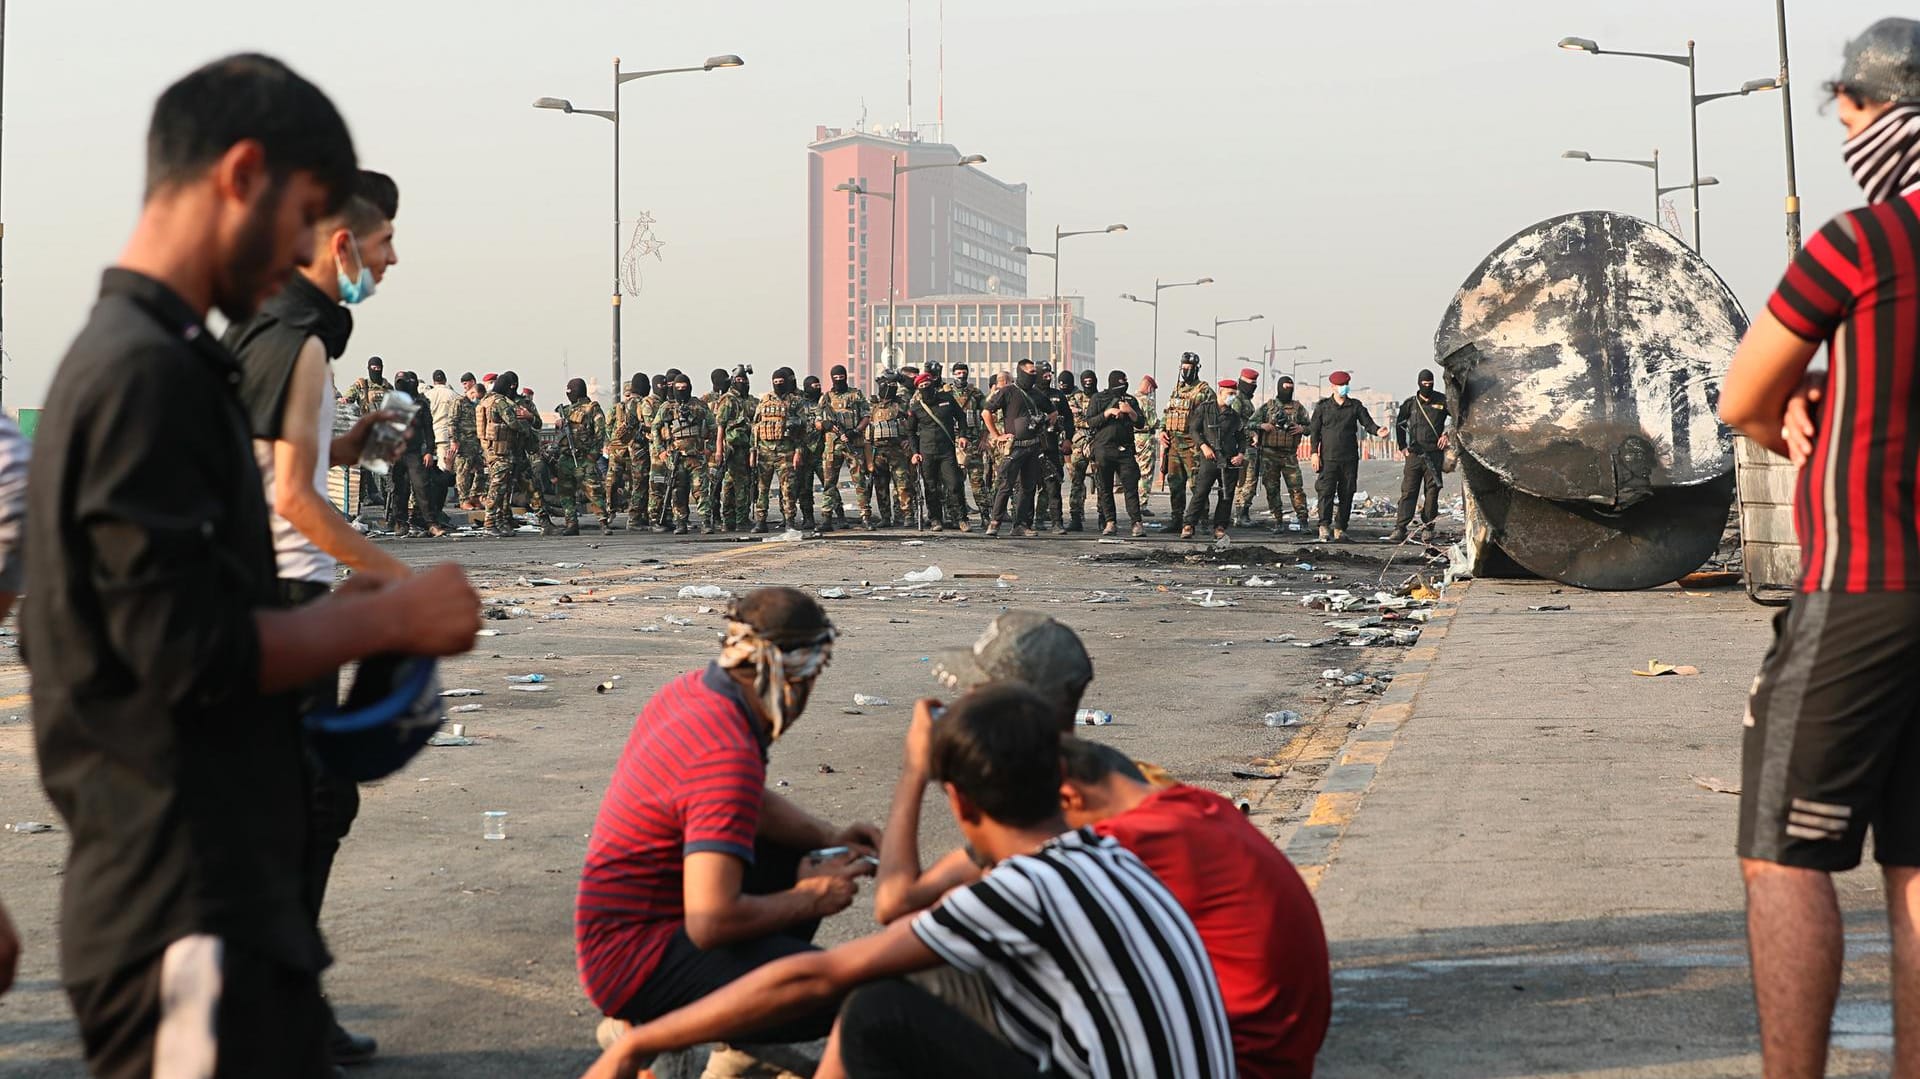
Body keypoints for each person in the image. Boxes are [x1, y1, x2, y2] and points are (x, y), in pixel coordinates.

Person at [23, 53, 481, 1079]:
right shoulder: (144, 373)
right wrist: (395, 612)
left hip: (214, 889)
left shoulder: (172, 355)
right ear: (241, 176)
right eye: (307, 212)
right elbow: (185, 652)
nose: (312, 247)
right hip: (181, 901)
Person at [583, 683, 1235, 1079]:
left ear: (961, 805)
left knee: (878, 1007)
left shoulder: (1023, 888)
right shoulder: (1102, 853)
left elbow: (824, 972)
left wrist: (641, 1039)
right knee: (933, 986)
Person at [1718, 19, 1920, 1076]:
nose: (1842, 131)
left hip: (1870, 586)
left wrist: (1795, 408)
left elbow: (1743, 392)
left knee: (1785, 853)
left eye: (1845, 110)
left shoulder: (1863, 242)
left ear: (1877, 110)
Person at [577, 588, 880, 1053]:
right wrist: (810, 898)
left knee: (807, 853)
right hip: (634, 963)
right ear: (795, 678)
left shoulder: (695, 690)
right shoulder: (726, 751)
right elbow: (711, 922)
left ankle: (736, 1056)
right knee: (851, 996)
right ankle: (648, 1028)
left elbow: (748, 806)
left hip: (627, 927)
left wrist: (829, 837)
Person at [1060, 740, 1329, 1078]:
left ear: (1070, 798)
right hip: (1283, 1045)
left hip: (1237, 1061)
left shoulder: (1126, 839)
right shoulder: (1197, 804)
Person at [874, 611, 1096, 925]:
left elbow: (893, 903)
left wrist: (914, 770)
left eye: (976, 690)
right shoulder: (1066, 771)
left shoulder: (1058, 802)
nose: (966, 698)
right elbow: (900, 901)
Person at [1308, 370, 1384, 542]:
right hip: (1328, 458)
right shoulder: (1323, 407)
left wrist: (1379, 431)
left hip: (1349, 459)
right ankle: (1324, 526)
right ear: (1333, 387)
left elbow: (1368, 423)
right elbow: (1314, 432)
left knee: (1347, 493)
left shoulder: (1355, 406)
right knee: (1326, 492)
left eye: (1346, 385)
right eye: (1341, 385)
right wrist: (1314, 453)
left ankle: (1340, 527)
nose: (1344, 388)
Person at [981, 357, 1050, 538]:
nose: (1035, 375)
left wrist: (1043, 424)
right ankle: (994, 522)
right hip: (1014, 447)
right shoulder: (1008, 392)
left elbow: (1053, 412)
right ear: (1021, 372)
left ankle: (1020, 525)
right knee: (1005, 484)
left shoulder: (1037, 394)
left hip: (1033, 446)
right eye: (1031, 372)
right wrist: (997, 436)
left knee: (1028, 488)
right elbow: (986, 411)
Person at [904, 371, 971, 532]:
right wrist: (915, 452)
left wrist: (963, 435)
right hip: (926, 451)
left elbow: (961, 417)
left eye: (927, 385)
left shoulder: (947, 399)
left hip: (947, 450)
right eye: (921, 386)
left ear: (932, 384)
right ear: (918, 389)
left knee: (955, 484)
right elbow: (910, 432)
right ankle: (935, 519)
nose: (925, 388)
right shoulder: (916, 408)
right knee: (931, 487)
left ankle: (962, 519)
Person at [653, 370, 718, 535]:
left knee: (701, 491)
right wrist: (660, 451)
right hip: (676, 458)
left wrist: (709, 449)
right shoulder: (666, 407)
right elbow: (655, 428)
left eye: (684, 387)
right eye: (678, 387)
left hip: (696, 457)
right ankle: (680, 522)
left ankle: (705, 522)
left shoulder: (699, 406)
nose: (681, 390)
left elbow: (713, 428)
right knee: (678, 491)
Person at [1389, 368, 1450, 544]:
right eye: (1424, 384)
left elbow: (1458, 418)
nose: (1427, 387)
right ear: (1419, 384)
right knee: (1408, 491)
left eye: (1430, 384)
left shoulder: (1442, 401)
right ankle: (1400, 527)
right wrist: (1403, 447)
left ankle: (1428, 527)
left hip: (1434, 455)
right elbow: (1399, 424)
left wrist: (1447, 434)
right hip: (1415, 455)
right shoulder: (1411, 404)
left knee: (1432, 493)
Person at [1184, 379, 1249, 541]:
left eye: (1234, 394)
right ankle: (1189, 525)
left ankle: (1220, 526)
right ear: (1220, 392)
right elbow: (1194, 430)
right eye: (1230, 394)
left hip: (1229, 459)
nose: (1232, 397)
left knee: (1226, 495)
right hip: (1210, 458)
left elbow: (1242, 438)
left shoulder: (1234, 416)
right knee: (1201, 492)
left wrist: (1240, 454)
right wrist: (1203, 446)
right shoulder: (1205, 409)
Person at [477, 370, 539, 535]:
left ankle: (499, 521)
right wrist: (526, 427)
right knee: (497, 491)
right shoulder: (500, 402)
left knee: (500, 489)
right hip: (502, 452)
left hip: (490, 450)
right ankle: (490, 524)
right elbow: (513, 423)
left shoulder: (485, 400)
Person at [1088, 369, 1148, 537]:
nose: (1124, 385)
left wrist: (1130, 411)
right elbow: (1090, 422)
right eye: (1122, 382)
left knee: (1130, 486)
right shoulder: (1098, 399)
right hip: (1103, 450)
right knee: (1105, 488)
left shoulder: (1130, 400)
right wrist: (1107, 413)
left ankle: (1136, 522)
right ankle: (1110, 522)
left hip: (1125, 450)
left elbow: (1141, 423)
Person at [749, 367, 809, 533]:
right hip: (764, 451)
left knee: (788, 488)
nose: (778, 385)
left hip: (786, 451)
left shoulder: (795, 401)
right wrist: (753, 451)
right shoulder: (765, 401)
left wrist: (798, 452)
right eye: (775, 382)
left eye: (781, 382)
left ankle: (789, 520)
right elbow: (755, 427)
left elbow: (803, 429)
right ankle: (760, 521)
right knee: (762, 487)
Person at [1251, 375, 1311, 534]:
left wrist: (1302, 429)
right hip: (1269, 455)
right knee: (1272, 489)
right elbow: (1248, 424)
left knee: (1296, 488)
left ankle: (1303, 520)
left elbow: (1312, 427)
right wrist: (1262, 425)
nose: (1287, 391)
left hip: (1289, 455)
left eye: (1290, 388)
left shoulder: (1298, 408)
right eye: (1285, 387)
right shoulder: (1268, 407)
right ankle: (1278, 521)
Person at [386, 371, 440, 538]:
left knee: (422, 487)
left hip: (414, 453)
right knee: (398, 489)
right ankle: (400, 523)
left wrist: (430, 451)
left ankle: (431, 523)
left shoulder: (421, 403)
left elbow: (428, 429)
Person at [1160, 352, 1211, 527]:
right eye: (1184, 368)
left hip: (1193, 444)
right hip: (1174, 443)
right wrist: (1162, 431)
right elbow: (1168, 413)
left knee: (1197, 484)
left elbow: (1212, 416)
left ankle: (1202, 519)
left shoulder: (1204, 391)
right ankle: (1176, 519)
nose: (1186, 371)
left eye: (1190, 368)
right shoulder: (1177, 389)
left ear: (1197, 369)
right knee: (1175, 482)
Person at [555, 377, 610, 536]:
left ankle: (603, 522)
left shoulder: (592, 409)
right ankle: (571, 523)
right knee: (566, 492)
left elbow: (600, 433)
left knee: (593, 491)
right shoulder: (566, 411)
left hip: (585, 458)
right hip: (567, 457)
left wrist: (593, 456)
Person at [818, 364, 870, 529]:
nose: (839, 380)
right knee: (829, 483)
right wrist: (825, 424)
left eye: (842, 377)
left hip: (852, 443)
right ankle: (826, 517)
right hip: (832, 447)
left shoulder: (856, 395)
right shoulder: (826, 398)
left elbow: (866, 416)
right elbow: (817, 422)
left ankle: (865, 516)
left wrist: (855, 431)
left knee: (860, 481)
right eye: (836, 378)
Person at [344, 355, 393, 518]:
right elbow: (347, 398)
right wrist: (345, 399)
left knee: (386, 473)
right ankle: (360, 503)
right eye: (374, 368)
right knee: (361, 473)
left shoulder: (387, 386)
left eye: (379, 368)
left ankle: (390, 506)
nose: (376, 371)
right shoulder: (361, 385)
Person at [708, 366, 755, 532]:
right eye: (739, 380)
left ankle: (733, 518)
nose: (742, 382)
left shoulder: (745, 400)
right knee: (735, 484)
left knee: (737, 483)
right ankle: (736, 518)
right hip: (731, 448)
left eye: (744, 380)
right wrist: (719, 451)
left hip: (744, 448)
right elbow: (720, 427)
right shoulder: (728, 400)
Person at [865, 375, 913, 529]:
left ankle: (907, 516)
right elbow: (867, 433)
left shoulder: (901, 404)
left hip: (897, 450)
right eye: (886, 385)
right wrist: (868, 460)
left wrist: (909, 440)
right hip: (877, 451)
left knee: (903, 485)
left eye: (892, 385)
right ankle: (885, 517)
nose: (888, 389)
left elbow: (913, 424)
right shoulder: (872, 406)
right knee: (880, 486)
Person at [605, 372, 649, 530]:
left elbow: (608, 428)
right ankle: (636, 516)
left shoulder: (616, 408)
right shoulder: (642, 404)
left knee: (612, 480)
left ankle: (609, 512)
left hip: (617, 449)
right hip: (635, 449)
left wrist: (611, 443)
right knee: (639, 483)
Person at [945, 362, 988, 522]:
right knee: (954, 482)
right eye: (958, 373)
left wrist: (984, 438)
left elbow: (987, 414)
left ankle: (986, 516)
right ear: (953, 374)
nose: (961, 375)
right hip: (953, 442)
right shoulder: (946, 392)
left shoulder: (975, 393)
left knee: (977, 481)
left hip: (974, 441)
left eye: (964, 372)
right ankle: (956, 516)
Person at [1036, 366, 1075, 532]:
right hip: (1031, 446)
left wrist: (1068, 439)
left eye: (1049, 374)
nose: (1047, 376)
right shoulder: (1029, 394)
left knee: (1053, 485)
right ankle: (1028, 521)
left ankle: (1056, 522)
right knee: (1026, 487)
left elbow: (1069, 420)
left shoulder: (1058, 395)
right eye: (1044, 374)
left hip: (1052, 446)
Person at [1065, 369, 1099, 531]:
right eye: (1085, 381)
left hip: (1097, 443)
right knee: (1076, 481)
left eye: (1091, 381)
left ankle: (1104, 516)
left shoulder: (1101, 398)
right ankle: (1076, 516)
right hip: (1078, 444)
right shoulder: (1075, 398)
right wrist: (1094, 420)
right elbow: (1075, 419)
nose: (1088, 384)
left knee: (1101, 481)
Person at [1231, 367, 1263, 526]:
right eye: (1251, 383)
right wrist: (1251, 434)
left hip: (1248, 446)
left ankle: (1241, 514)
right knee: (1247, 481)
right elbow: (1235, 421)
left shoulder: (1245, 400)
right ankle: (1241, 514)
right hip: (1244, 447)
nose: (1253, 386)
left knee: (1244, 481)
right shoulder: (1238, 400)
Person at [454, 373, 487, 511]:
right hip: (463, 443)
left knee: (481, 470)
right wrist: (454, 440)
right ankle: (463, 500)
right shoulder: (459, 402)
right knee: (463, 472)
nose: (476, 400)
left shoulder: (477, 405)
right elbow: (452, 422)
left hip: (475, 443)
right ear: (471, 392)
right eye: (475, 396)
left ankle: (475, 495)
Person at [798, 374, 826, 531]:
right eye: (814, 386)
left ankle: (837, 515)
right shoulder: (800, 404)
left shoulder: (825, 402)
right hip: (805, 451)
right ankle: (808, 517)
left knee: (829, 485)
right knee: (804, 488)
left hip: (822, 451)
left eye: (818, 385)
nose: (817, 388)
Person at [1134, 373, 1160, 512]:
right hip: (1145, 439)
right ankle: (1142, 503)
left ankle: (1133, 502)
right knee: (1146, 472)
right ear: (1149, 387)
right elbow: (1153, 422)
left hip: (1133, 439)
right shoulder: (1146, 401)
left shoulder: (1131, 399)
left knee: (1135, 471)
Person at [425, 369, 459, 474]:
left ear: (433, 381)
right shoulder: (453, 395)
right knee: (445, 467)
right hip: (445, 436)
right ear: (445, 380)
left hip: (429, 435)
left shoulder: (427, 395)